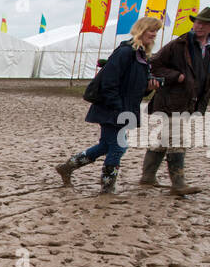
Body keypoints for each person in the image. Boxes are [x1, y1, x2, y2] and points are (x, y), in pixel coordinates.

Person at [55, 16, 160, 194]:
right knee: (119, 147)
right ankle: (107, 187)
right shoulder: (126, 52)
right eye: (151, 30)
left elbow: (133, 88)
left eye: (156, 31)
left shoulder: (141, 56)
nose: (154, 35)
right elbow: (108, 82)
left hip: (123, 109)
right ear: (141, 30)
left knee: (106, 146)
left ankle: (67, 167)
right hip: (112, 109)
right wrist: (118, 108)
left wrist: (148, 88)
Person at [141, 7, 210, 195]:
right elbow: (154, 64)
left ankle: (147, 177)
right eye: (197, 22)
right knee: (177, 139)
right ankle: (178, 183)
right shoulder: (178, 44)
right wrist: (176, 76)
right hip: (171, 99)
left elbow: (209, 74)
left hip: (191, 100)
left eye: (204, 23)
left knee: (164, 139)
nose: (199, 26)